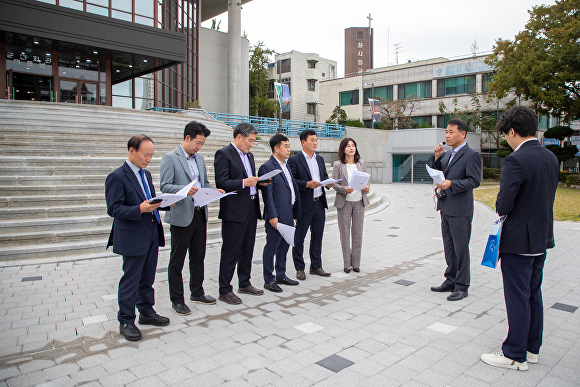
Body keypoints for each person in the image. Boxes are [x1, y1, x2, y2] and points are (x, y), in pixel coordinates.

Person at [481, 106, 559, 371]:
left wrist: (499, 206)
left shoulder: (516, 160)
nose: (506, 139)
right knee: (532, 294)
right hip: (541, 238)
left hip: (518, 240)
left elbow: (504, 203)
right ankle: (531, 348)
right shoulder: (550, 157)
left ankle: (514, 353)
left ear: (512, 131)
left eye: (506, 134)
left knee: (517, 296)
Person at [105, 134, 170, 341]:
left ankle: (146, 312)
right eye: (145, 155)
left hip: (150, 232)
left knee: (148, 277)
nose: (148, 159)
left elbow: (149, 201)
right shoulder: (117, 176)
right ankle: (125, 320)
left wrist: (167, 202)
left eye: (151, 155)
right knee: (130, 280)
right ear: (131, 150)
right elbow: (114, 209)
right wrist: (139, 209)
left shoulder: (146, 175)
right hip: (132, 236)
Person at [160, 121, 224, 316]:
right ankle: (177, 300)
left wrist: (213, 191)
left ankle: (197, 292)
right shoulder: (170, 158)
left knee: (198, 256)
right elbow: (165, 186)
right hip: (181, 215)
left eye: (202, 144)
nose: (199, 147)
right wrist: (186, 190)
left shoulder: (200, 159)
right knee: (177, 260)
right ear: (187, 138)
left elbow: (203, 182)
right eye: (197, 143)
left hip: (199, 214)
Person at [430, 118, 482, 301]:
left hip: (461, 209)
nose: (447, 135)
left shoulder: (471, 155)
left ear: (463, 133)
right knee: (449, 246)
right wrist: (437, 157)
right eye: (446, 132)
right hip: (446, 206)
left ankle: (462, 286)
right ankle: (450, 279)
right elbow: (440, 173)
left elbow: (474, 181)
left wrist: (452, 184)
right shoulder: (449, 154)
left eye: (451, 132)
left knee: (461, 248)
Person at [214, 123, 265, 304]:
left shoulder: (249, 155)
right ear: (239, 137)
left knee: (248, 248)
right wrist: (244, 182)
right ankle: (225, 289)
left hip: (251, 208)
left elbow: (250, 181)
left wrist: (259, 183)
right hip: (234, 211)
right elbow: (222, 182)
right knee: (231, 250)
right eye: (249, 140)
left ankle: (244, 282)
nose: (251, 144)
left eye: (253, 141)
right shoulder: (224, 154)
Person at [288, 129, 335, 280]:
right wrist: (306, 184)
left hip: (319, 204)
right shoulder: (294, 160)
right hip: (303, 205)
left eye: (316, 140)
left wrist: (328, 184)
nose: (315, 143)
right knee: (299, 238)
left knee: (318, 237)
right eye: (312, 140)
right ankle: (299, 268)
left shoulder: (320, 159)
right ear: (303, 142)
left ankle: (316, 266)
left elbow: (324, 177)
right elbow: (291, 181)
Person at [258, 134, 302, 293]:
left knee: (284, 246)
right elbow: (267, 195)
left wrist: (295, 212)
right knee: (272, 246)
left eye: (289, 146)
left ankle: (281, 274)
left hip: (288, 213)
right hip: (276, 214)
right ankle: (268, 279)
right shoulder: (267, 167)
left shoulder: (286, 165)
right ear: (276, 148)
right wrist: (272, 216)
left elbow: (292, 188)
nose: (289, 149)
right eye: (285, 146)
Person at [332, 138, 370, 273]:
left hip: (359, 201)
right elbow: (334, 184)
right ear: (343, 149)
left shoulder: (361, 163)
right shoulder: (338, 164)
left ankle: (356, 263)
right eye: (348, 146)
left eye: (353, 145)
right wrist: (344, 189)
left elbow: (366, 180)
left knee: (357, 233)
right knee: (345, 233)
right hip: (344, 203)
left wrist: (367, 188)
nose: (351, 148)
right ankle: (347, 264)